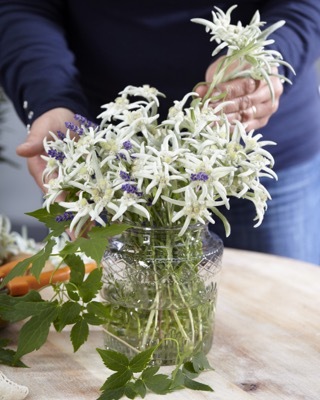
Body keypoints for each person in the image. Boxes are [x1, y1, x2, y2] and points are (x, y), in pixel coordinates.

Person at [0, 1, 320, 264]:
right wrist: (50, 99)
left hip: (254, 153)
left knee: (275, 318)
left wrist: (265, 61)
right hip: (102, 159)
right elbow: (24, 6)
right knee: (115, 314)